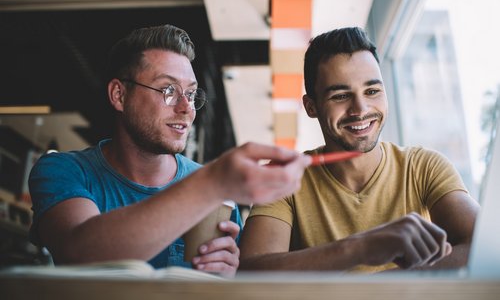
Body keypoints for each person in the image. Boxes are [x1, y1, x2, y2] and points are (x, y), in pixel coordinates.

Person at [28, 24, 311, 278]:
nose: (186, 108)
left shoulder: (219, 199)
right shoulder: (63, 170)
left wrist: (226, 276)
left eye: (190, 93)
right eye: (168, 90)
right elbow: (79, 254)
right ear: (119, 95)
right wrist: (213, 183)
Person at [239, 27, 480, 273]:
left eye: (372, 91)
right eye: (341, 96)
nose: (361, 109)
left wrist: (372, 289)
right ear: (311, 107)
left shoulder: (424, 166)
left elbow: (482, 247)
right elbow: (251, 273)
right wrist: (359, 248)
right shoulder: (286, 177)